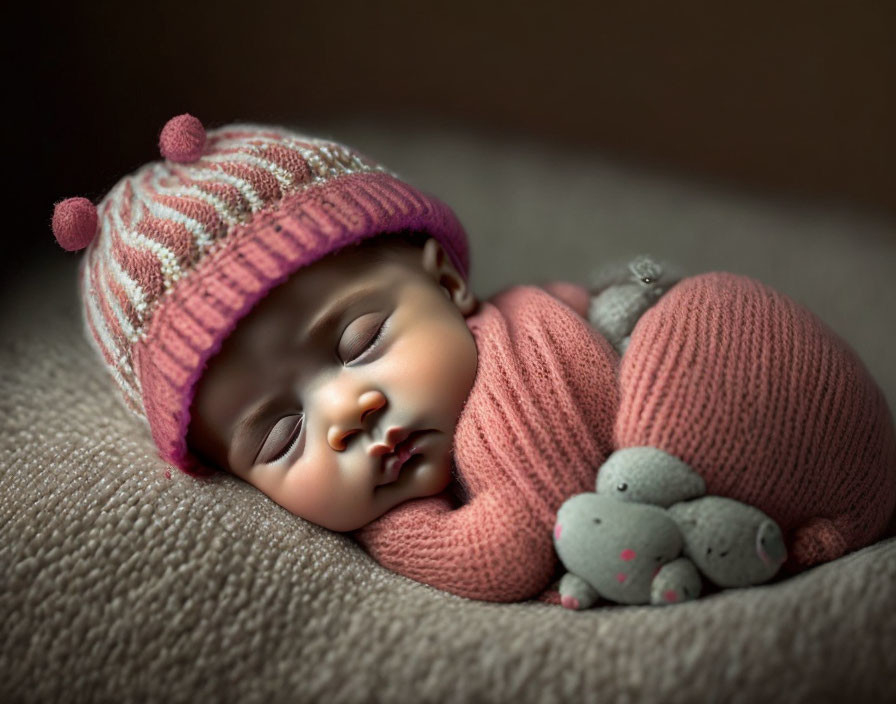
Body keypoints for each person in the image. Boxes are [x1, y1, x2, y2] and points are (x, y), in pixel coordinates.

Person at [52, 114, 896, 603]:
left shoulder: (507, 379)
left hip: (769, 382)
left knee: (701, 348)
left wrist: (397, 531)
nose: (349, 414)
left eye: (360, 344)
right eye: (278, 438)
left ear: (450, 284)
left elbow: (519, 544)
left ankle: (786, 517)